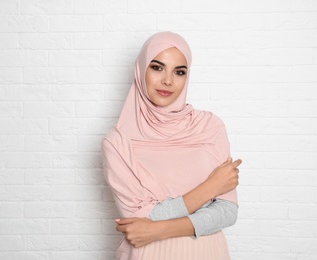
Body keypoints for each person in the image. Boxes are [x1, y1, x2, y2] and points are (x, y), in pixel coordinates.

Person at [101, 31, 242, 260]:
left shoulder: (209, 127)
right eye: (157, 67)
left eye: (179, 72)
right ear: (141, 70)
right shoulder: (117, 143)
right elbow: (138, 219)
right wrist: (210, 188)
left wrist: (156, 230)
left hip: (209, 253)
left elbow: (227, 212)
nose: (168, 80)